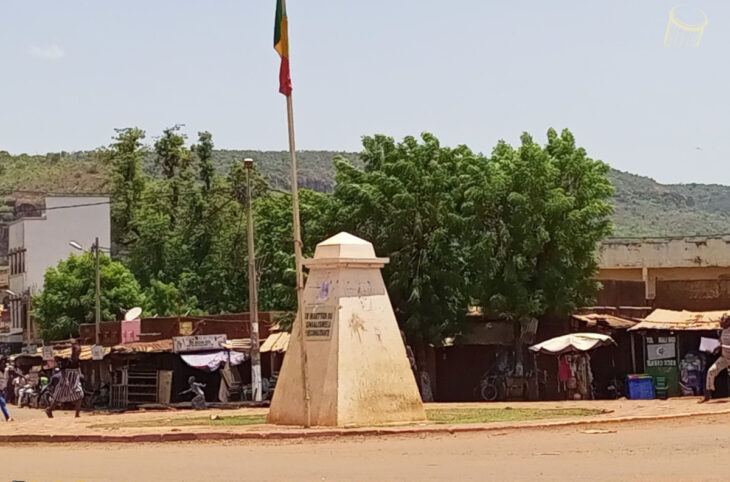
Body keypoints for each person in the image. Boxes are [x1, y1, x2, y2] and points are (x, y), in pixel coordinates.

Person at [46, 344, 84, 418]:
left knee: (79, 395)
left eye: (79, 352)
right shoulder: (67, 360)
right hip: (65, 381)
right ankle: (49, 409)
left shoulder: (78, 361)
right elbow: (62, 370)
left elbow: (78, 369)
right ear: (73, 352)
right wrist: (65, 379)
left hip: (74, 381)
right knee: (58, 397)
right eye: (77, 352)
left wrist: (80, 375)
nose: (78, 353)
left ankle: (77, 414)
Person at [700, 314, 730, 403]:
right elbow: (720, 344)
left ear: (728, 322)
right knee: (711, 371)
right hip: (725, 358)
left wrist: (723, 346)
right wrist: (714, 349)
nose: (721, 322)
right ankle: (707, 395)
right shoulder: (722, 331)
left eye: (723, 320)